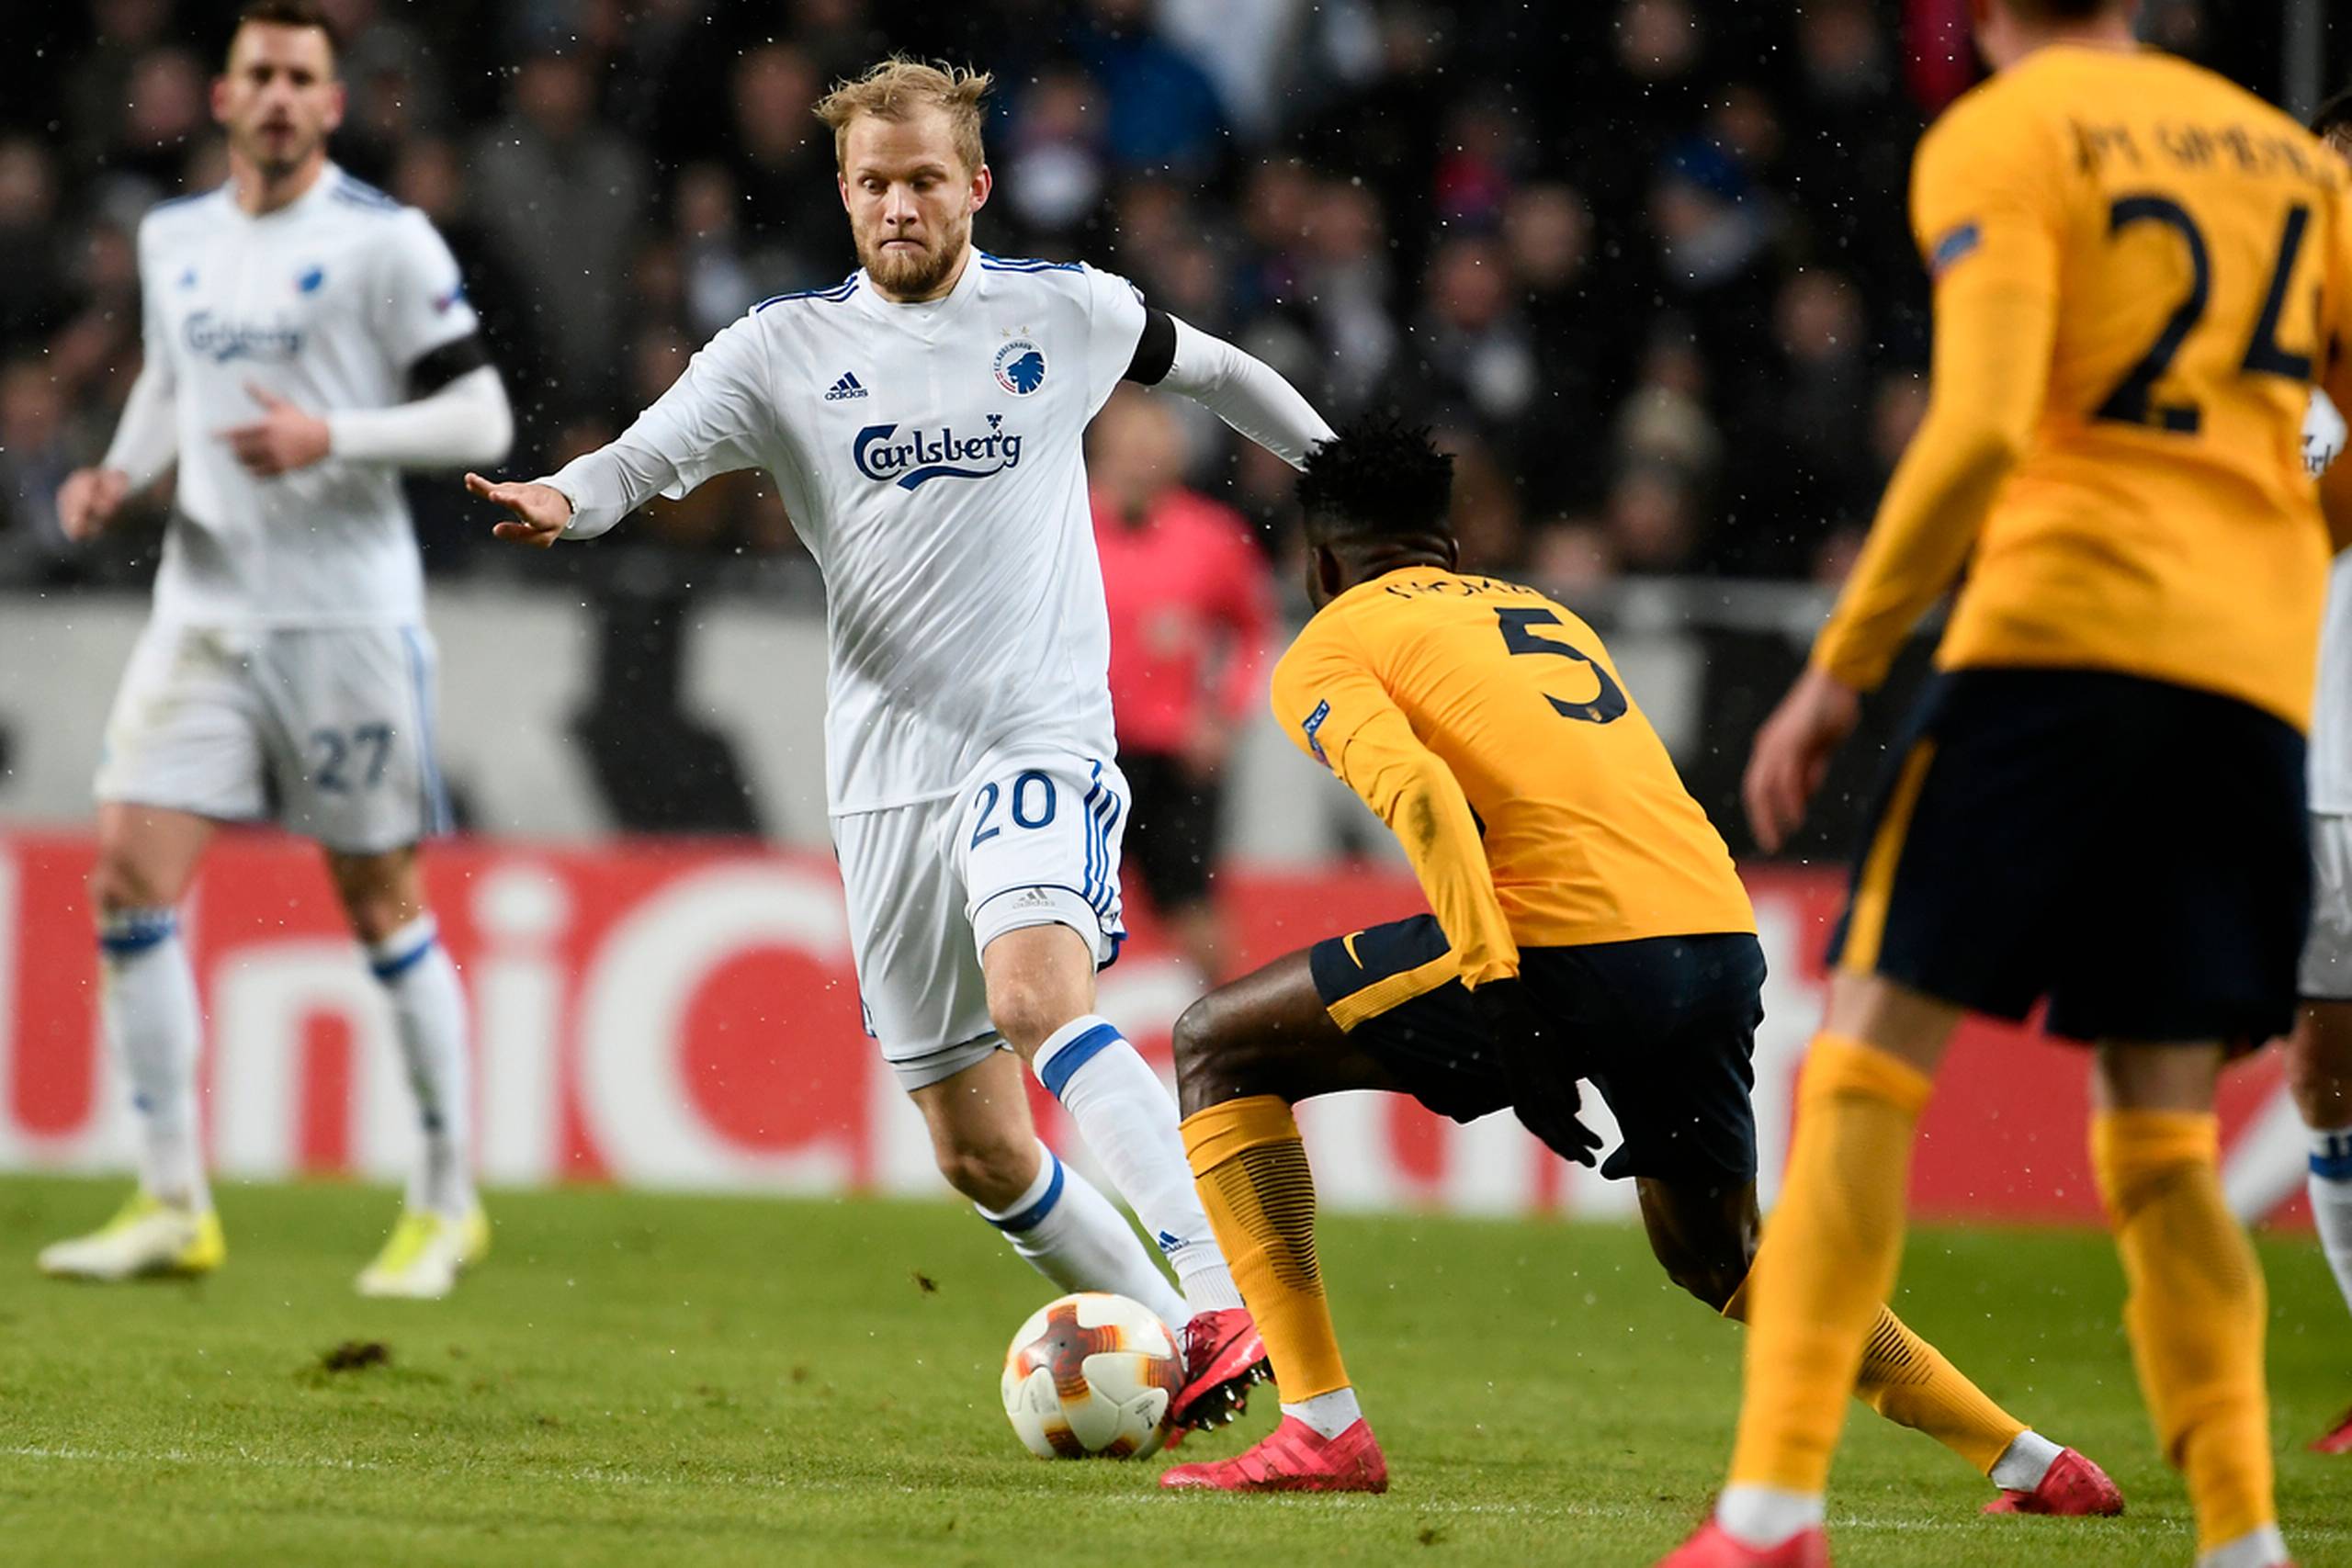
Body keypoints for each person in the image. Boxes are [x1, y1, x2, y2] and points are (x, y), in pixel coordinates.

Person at [465, 58, 1335, 1428]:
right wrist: (565, 498)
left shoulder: (1067, 311)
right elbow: (641, 457)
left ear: (976, 184)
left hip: (1035, 732)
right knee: (979, 1149)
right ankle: (1180, 1353)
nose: (898, 205)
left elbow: (1218, 371)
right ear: (844, 193)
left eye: (924, 178)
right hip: (884, 775)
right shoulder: (780, 352)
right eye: (873, 182)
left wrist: (1345, 482)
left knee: (1043, 993)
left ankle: (1222, 1293)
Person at [1662, 3, 2352, 1563]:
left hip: (2058, 650)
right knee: (2164, 1139)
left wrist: (1841, 665)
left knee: (1867, 1069)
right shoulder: (2291, 163)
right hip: (2244, 688)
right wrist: (2262, 563)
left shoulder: (2006, 133)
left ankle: (1772, 1508)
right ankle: (2245, 1539)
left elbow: (1977, 422)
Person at [1159, 415, 2118, 1514]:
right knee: (1721, 1257)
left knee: (1217, 1046)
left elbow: (1424, 801)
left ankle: (1322, 1426)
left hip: (1564, 943)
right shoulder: (1542, 611)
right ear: (1451, 549)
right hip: (1714, 933)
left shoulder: (1330, 642)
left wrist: (1504, 1000)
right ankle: (2031, 1461)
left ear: (1318, 563)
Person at [38, 0, 514, 1299]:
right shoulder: (175, 235)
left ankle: (443, 1198)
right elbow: (172, 381)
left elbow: (480, 408)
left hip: (344, 617)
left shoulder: (383, 239)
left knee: (377, 899)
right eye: (262, 73)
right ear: (225, 95)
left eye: (306, 76)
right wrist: (115, 472)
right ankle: (172, 1197)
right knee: (132, 872)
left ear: (333, 102)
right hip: (201, 607)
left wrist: (335, 436)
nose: (283, 96)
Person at [1089, 387, 1275, 983]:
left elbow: (1251, 631)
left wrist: (1223, 715)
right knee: (1059, 902)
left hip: (1175, 758)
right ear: (1100, 451)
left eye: (1154, 445)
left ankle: (1231, 1042)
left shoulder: (1211, 536)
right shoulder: (1063, 525)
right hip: (1085, 750)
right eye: (1127, 446)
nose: (1140, 459)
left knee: (1192, 909)